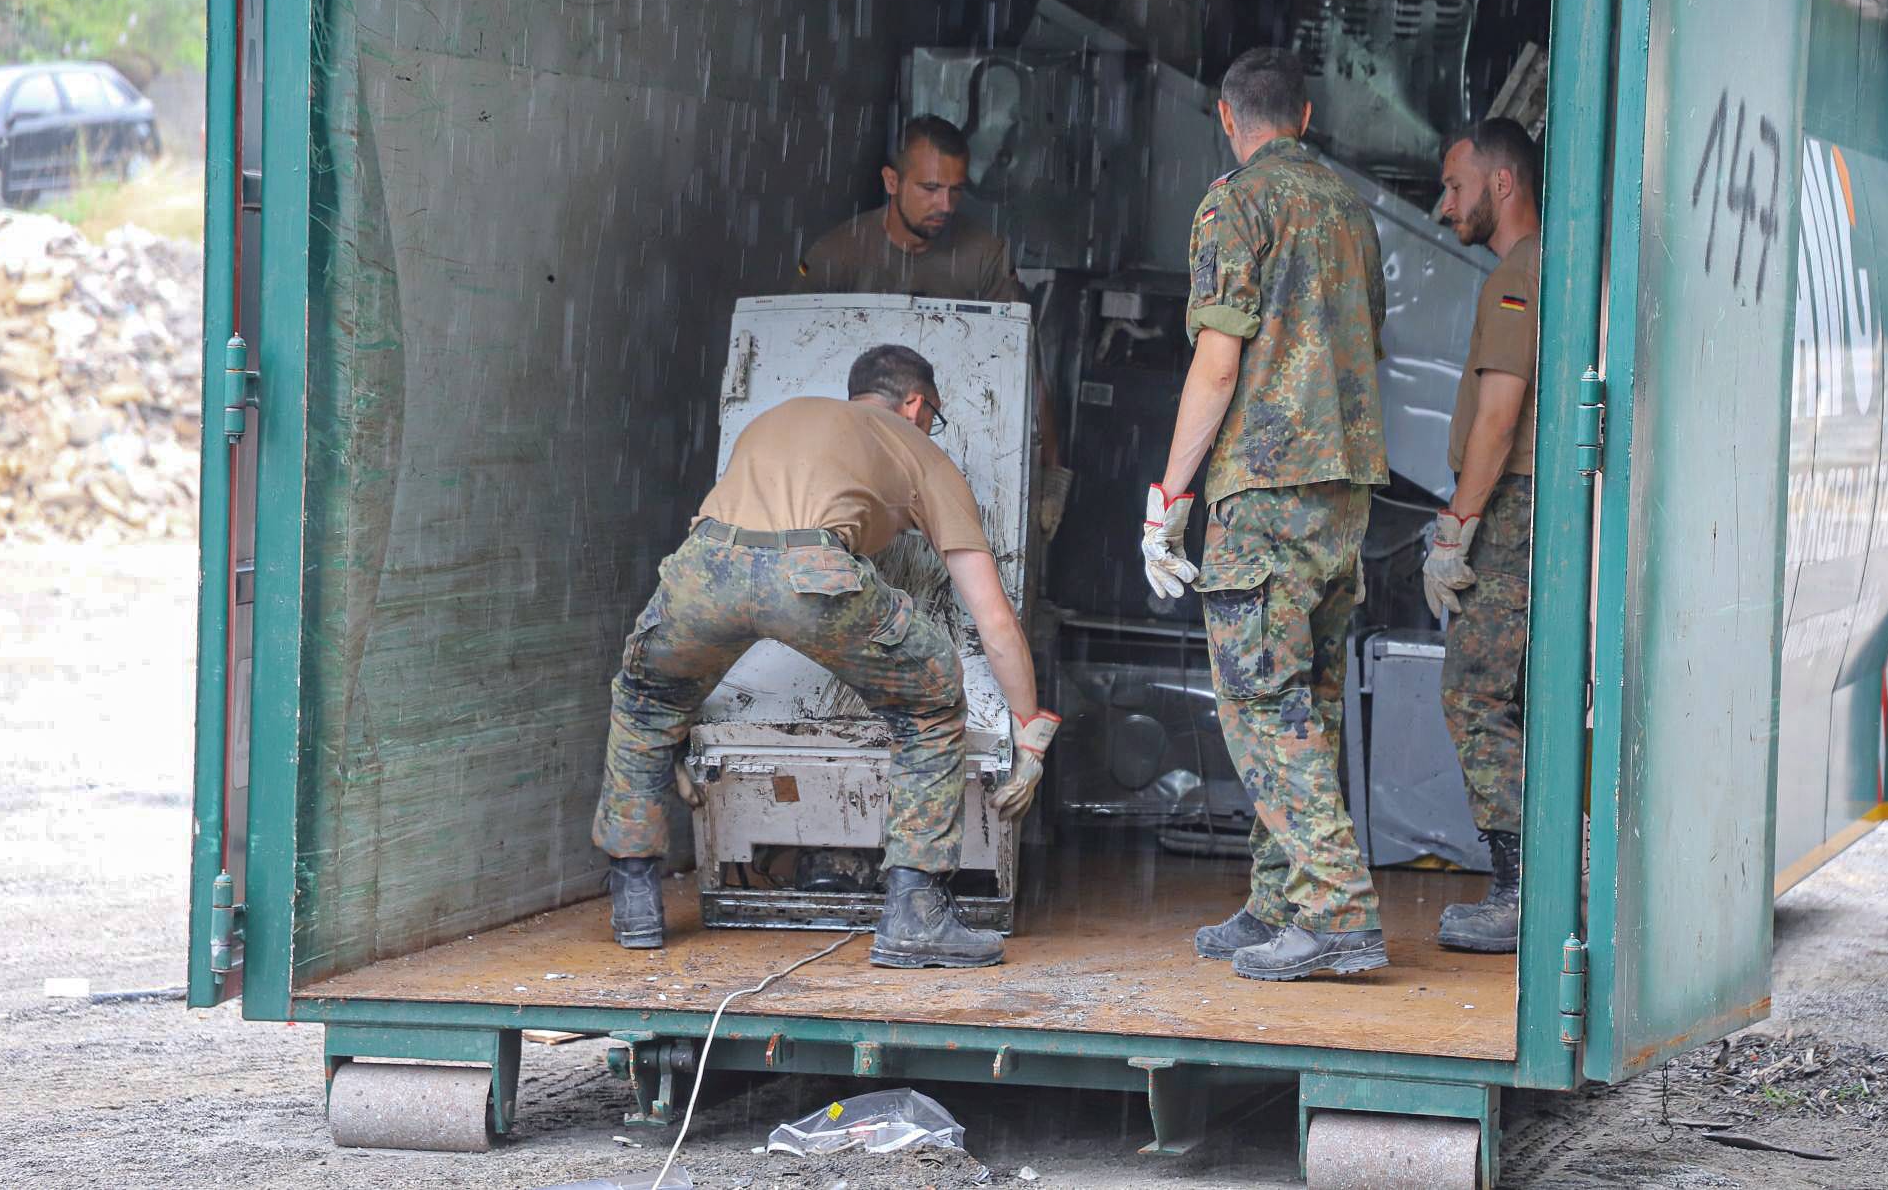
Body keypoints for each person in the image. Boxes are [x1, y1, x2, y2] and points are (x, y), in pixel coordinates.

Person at [591, 344, 1061, 969]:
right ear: (916, 405)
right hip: (810, 575)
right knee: (929, 699)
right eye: (933, 415)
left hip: (703, 563)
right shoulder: (920, 449)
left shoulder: (777, 418)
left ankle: (635, 899)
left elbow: (742, 574)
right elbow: (993, 619)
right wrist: (1028, 736)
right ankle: (913, 911)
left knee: (646, 701)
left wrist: (675, 724)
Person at [1139, 47, 1391, 981]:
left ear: (1224, 112)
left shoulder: (1233, 204)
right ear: (1309, 114)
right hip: (1344, 488)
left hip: (1267, 491)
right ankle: (1276, 899)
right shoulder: (1350, 210)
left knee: (1256, 702)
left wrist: (1168, 497)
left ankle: (1337, 912)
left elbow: (1217, 361)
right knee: (1308, 702)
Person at [796, 115, 1071, 537]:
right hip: (850, 450)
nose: (945, 205)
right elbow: (796, 362)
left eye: (955, 191)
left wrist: (1051, 472)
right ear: (892, 181)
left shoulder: (984, 255)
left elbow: (1023, 365)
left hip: (958, 445)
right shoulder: (837, 254)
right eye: (929, 189)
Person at [1423, 117, 1543, 955]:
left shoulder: (1517, 275)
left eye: (1456, 186)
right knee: (1519, 696)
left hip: (1509, 511)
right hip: (1529, 509)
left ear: (1502, 184)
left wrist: (1458, 529)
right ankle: (1540, 877)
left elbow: (1498, 421)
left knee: (1473, 691)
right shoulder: (1547, 267)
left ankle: (1519, 890)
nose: (1442, 206)